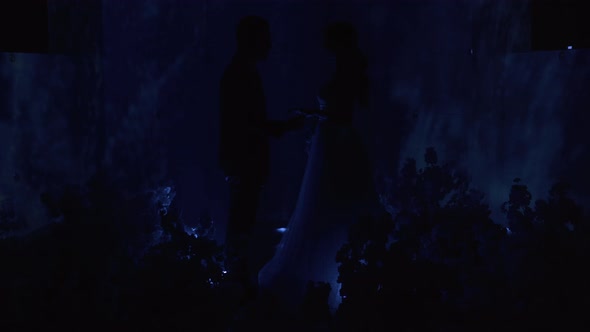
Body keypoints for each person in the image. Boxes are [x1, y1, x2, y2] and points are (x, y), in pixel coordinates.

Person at [258, 21, 383, 314]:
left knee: (328, 201)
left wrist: (314, 113)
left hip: (335, 140)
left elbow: (341, 110)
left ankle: (333, 275)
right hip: (333, 139)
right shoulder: (346, 65)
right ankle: (334, 273)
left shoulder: (348, 67)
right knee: (325, 203)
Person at [218, 15, 304, 305]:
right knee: (242, 218)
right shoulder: (239, 74)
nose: (269, 44)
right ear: (251, 40)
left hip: (244, 158)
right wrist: (281, 128)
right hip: (243, 159)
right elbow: (244, 121)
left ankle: (237, 280)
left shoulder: (242, 72)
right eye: (264, 38)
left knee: (243, 218)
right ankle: (236, 282)